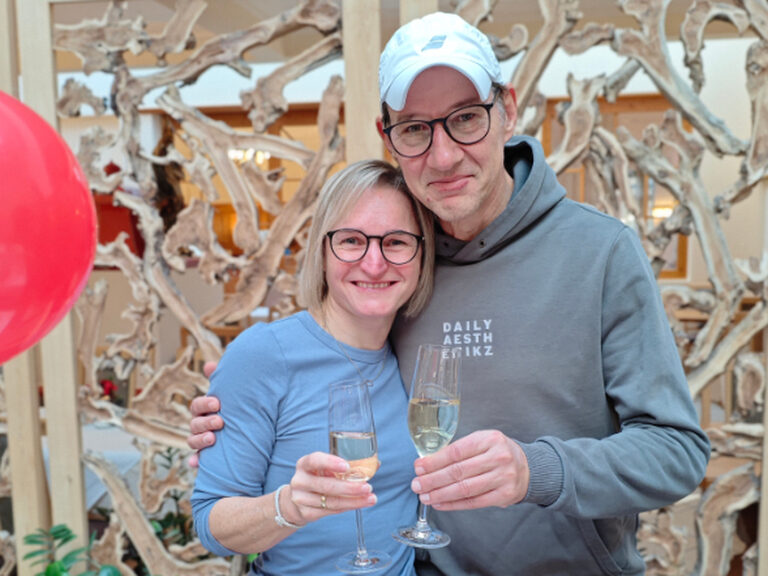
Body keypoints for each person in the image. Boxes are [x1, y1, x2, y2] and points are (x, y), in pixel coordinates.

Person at [189, 12, 710, 576]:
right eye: (415, 128)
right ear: (389, 137)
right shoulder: (404, 262)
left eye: (465, 118)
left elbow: (677, 453)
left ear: (507, 110)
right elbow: (329, 355)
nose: (441, 156)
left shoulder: (601, 252)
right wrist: (246, 409)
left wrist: (536, 470)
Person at [191, 159, 435, 576]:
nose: (374, 263)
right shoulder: (263, 354)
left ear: (421, 255)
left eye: (395, 242)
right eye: (352, 240)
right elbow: (211, 524)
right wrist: (288, 506)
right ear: (322, 251)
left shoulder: (415, 351)